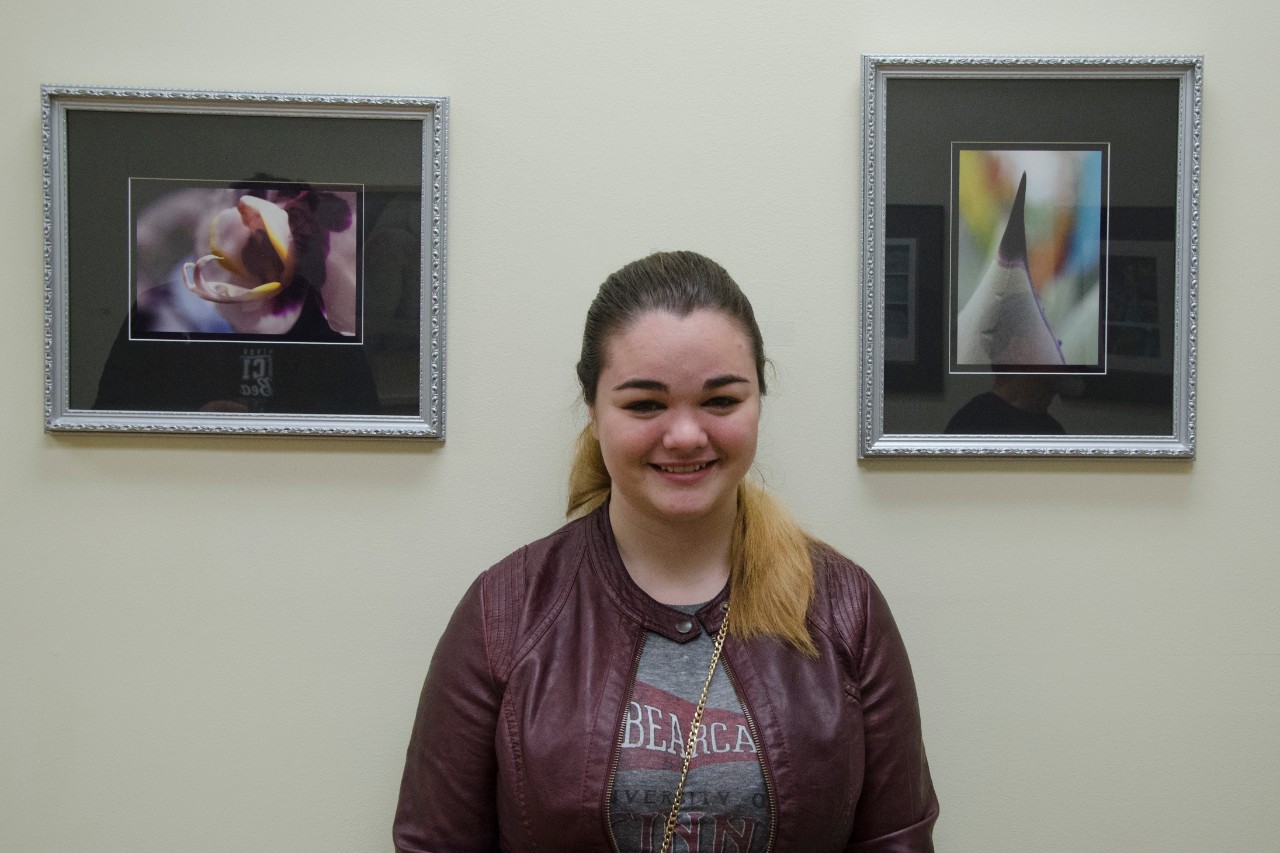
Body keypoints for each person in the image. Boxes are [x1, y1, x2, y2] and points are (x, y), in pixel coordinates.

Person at [394, 251, 938, 852]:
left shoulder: (845, 607)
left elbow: (897, 839)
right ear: (594, 412)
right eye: (645, 405)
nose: (684, 436)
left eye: (721, 401)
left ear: (759, 401)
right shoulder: (505, 612)